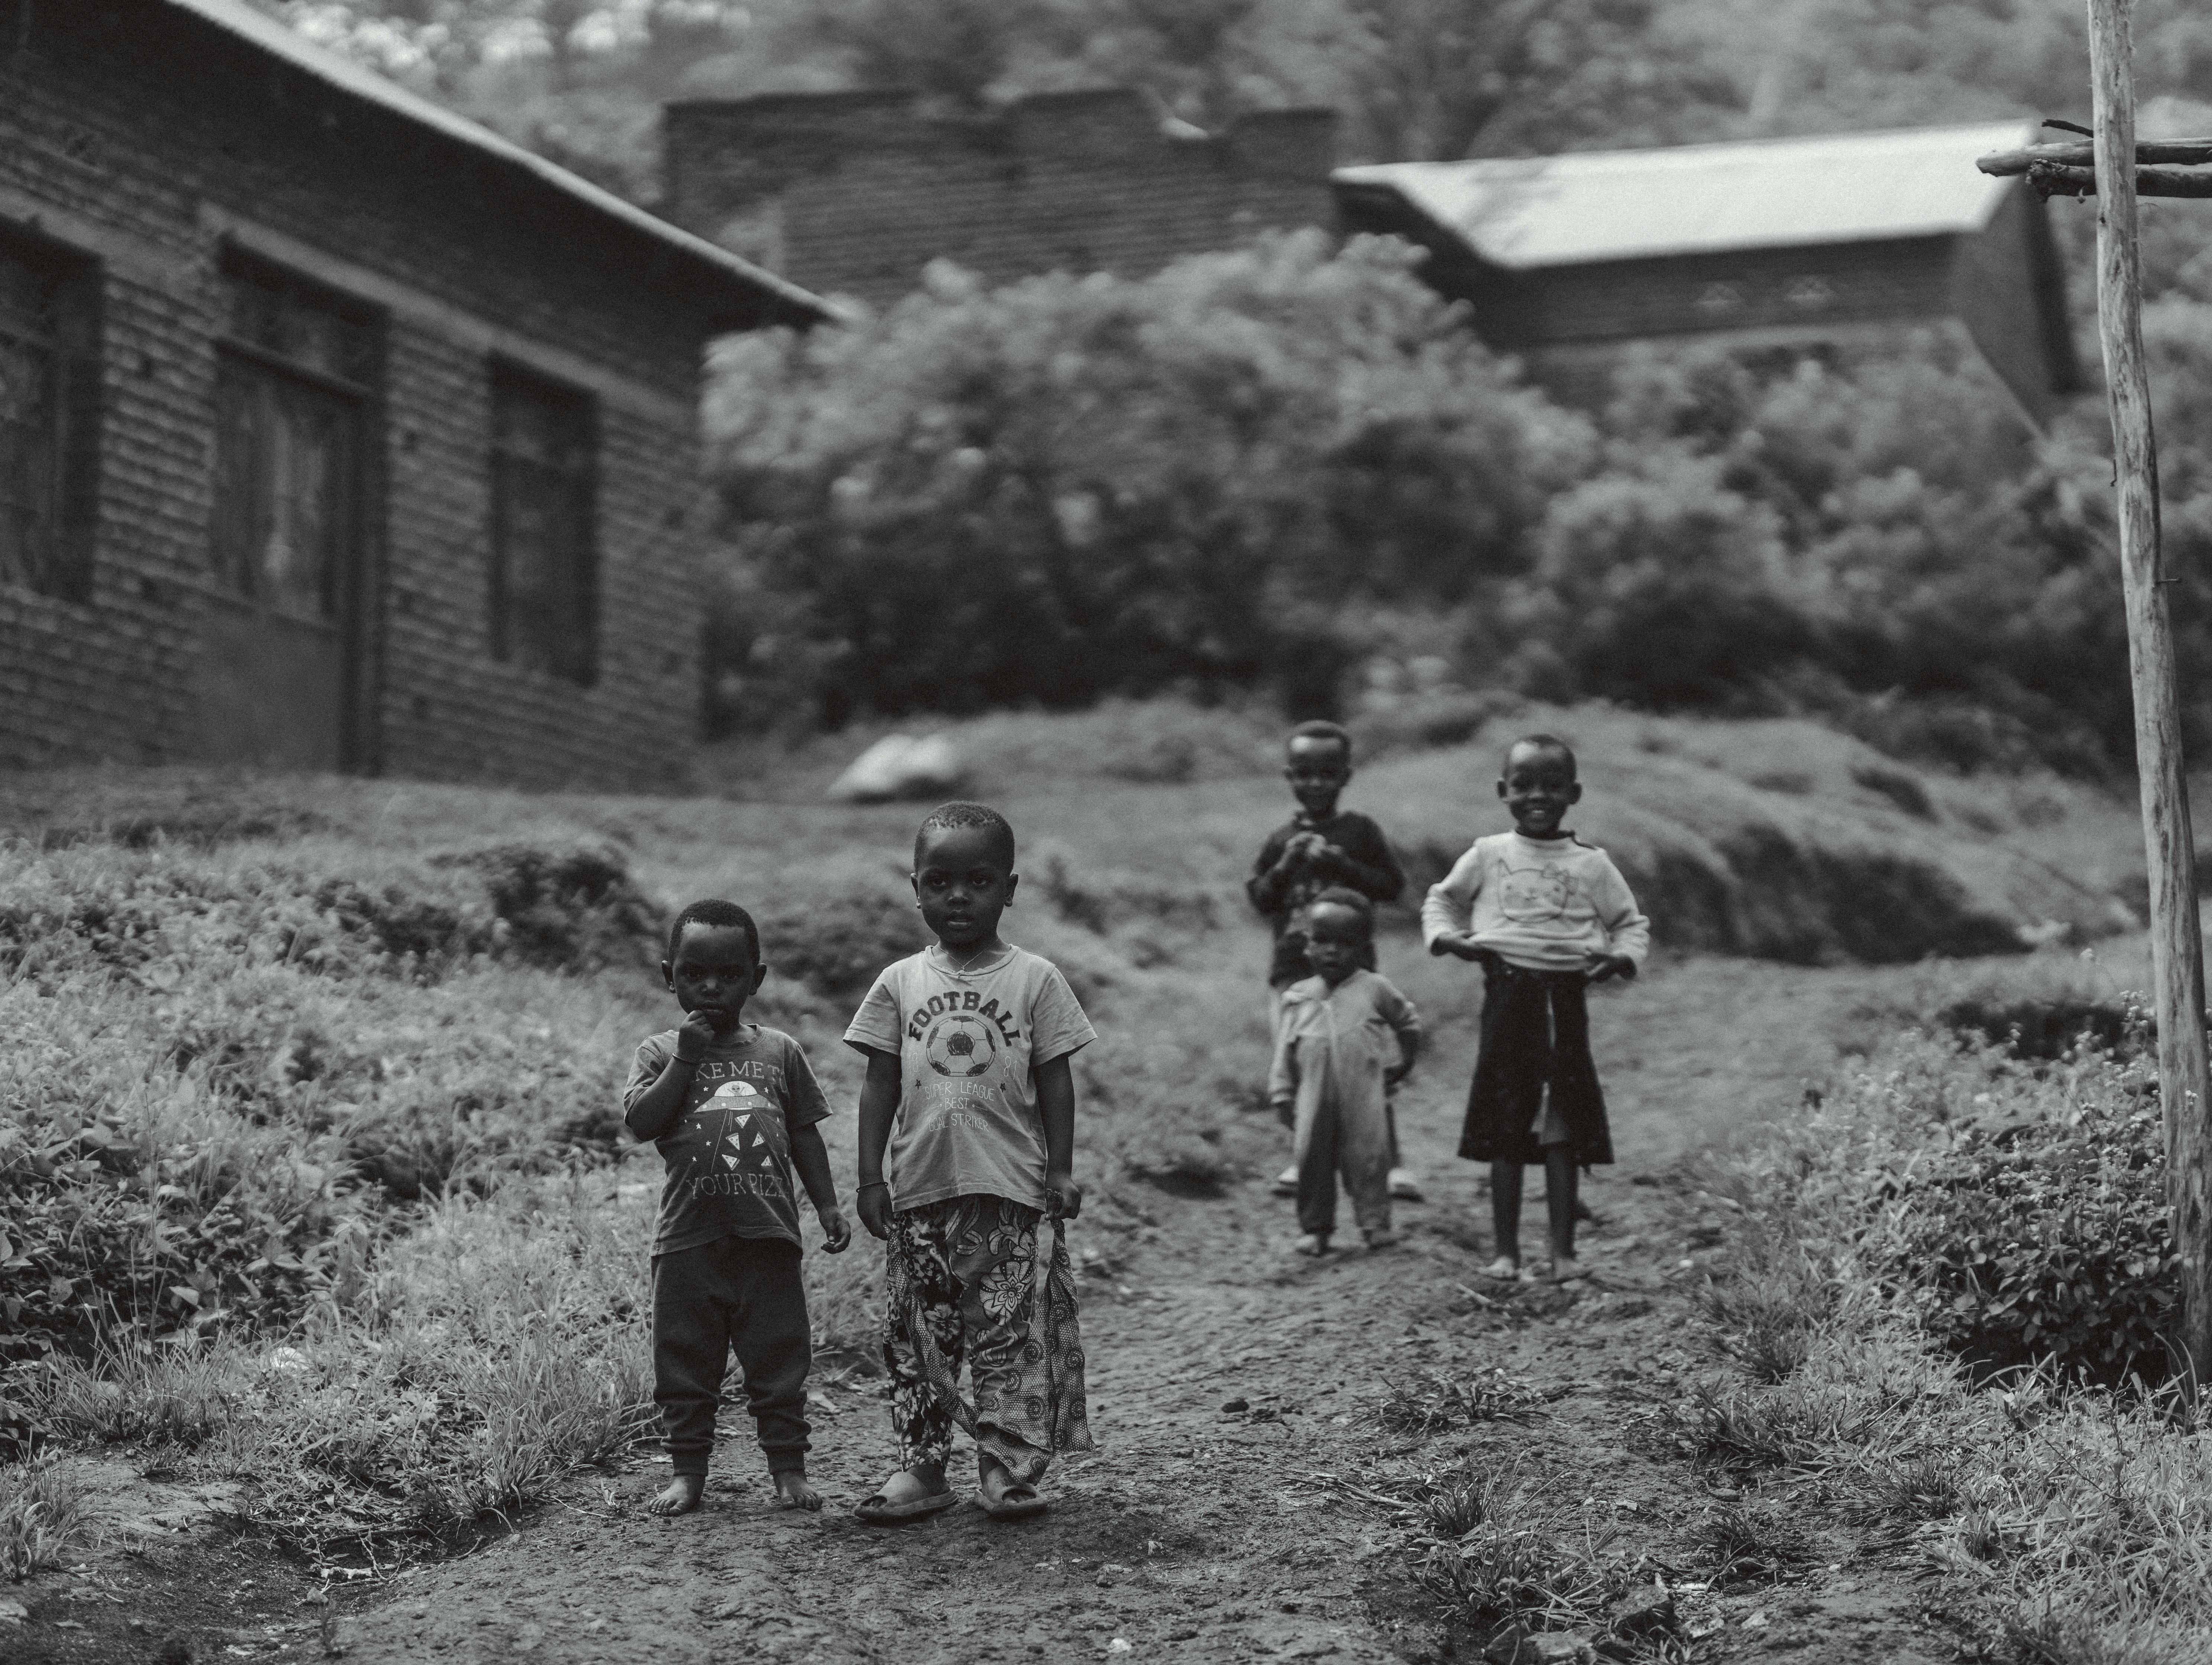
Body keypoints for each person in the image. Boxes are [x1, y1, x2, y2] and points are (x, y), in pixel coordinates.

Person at [844, 802, 1096, 1524]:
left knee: (1006, 1336)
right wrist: (869, 1176)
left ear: (1011, 889)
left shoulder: (1036, 979)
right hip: (918, 1193)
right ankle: (922, 1470)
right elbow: (880, 1083)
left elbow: (1055, 1078)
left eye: (979, 880)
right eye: (940, 881)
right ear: (915, 887)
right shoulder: (897, 982)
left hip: (1006, 1193)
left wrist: (1062, 1168)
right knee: (919, 1339)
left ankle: (1004, 1467)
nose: (959, 896)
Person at [623, 899, 851, 1517]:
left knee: (779, 1358)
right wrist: (687, 1059)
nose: (711, 988)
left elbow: (804, 1132)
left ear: (757, 979)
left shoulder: (780, 1052)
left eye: (729, 976)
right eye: (694, 975)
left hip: (768, 1236)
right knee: (685, 1361)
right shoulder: (657, 1052)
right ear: (669, 975)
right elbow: (642, 1123)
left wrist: (828, 1205)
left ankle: (788, 1471)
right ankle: (687, 1473)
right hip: (688, 1241)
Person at [1421, 735, 1649, 1283]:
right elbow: (1442, 898)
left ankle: (1563, 1253)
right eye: (1523, 786)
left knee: (1562, 1125)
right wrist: (1449, 939)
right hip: (1506, 995)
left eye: (1551, 786)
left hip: (1565, 997)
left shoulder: (1591, 864)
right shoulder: (1488, 853)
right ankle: (1506, 1253)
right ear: (1504, 792)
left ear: (1574, 793)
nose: (1537, 797)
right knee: (1507, 1121)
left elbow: (1630, 923)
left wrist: (1620, 959)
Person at [1245, 720, 1417, 1202]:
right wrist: (1286, 867)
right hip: (1295, 974)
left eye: (1326, 774)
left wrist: (1338, 862)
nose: (1315, 784)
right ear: (1289, 777)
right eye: (1304, 774)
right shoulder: (1281, 839)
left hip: (1354, 975)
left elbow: (1390, 886)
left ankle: (1391, 1164)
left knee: (1367, 1064)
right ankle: (1306, 1160)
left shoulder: (1360, 832)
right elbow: (1260, 899)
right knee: (1300, 1067)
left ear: (1345, 777)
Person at [1268, 889, 1423, 1256]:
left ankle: (1375, 1224)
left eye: (1344, 943)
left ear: (1363, 948)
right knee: (1311, 1160)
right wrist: (1281, 1093)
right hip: (1312, 1100)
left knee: (1369, 1160)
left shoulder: (1374, 989)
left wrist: (1405, 1060)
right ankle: (1316, 1229)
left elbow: (1408, 1021)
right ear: (1307, 944)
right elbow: (1284, 1052)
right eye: (1322, 940)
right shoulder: (1299, 997)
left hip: (1364, 1098)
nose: (1332, 951)